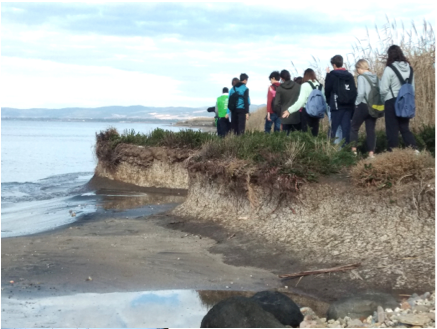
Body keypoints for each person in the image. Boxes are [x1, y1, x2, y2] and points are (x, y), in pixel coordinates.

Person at [379, 45, 417, 151]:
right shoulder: (410, 69)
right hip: (406, 101)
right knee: (404, 128)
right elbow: (412, 88)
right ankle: (415, 150)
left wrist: (384, 100)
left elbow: (383, 89)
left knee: (392, 130)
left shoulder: (389, 69)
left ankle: (393, 153)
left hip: (392, 101)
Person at [283, 68, 326, 136]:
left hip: (306, 112)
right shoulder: (320, 86)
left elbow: (300, 101)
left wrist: (289, 110)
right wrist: (328, 113)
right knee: (315, 133)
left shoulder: (305, 85)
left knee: (306, 134)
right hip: (317, 112)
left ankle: (306, 146)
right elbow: (324, 101)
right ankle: (315, 146)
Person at [350, 59, 380, 158]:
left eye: (357, 69)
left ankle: (353, 152)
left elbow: (361, 93)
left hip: (363, 105)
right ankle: (371, 154)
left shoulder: (361, 77)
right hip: (374, 106)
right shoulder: (376, 77)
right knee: (370, 130)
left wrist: (356, 103)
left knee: (354, 127)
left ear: (360, 67)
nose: (356, 71)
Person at [325, 55, 357, 144]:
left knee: (334, 128)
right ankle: (346, 149)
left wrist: (329, 102)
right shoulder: (349, 75)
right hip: (348, 106)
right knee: (346, 128)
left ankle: (333, 150)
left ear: (334, 65)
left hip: (336, 106)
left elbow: (327, 90)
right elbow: (354, 90)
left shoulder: (332, 75)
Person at [275, 70, 301, 135]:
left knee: (286, 138)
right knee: (296, 138)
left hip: (284, 116)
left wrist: (279, 113)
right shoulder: (298, 86)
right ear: (289, 76)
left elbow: (276, 103)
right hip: (296, 116)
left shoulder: (279, 88)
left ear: (281, 78)